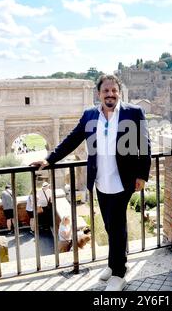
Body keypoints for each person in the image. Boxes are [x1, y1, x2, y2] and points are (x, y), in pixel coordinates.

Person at [31, 74, 151, 291]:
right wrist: (49, 159)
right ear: (99, 94)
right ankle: (114, 263)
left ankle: (119, 273)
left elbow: (145, 144)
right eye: (106, 91)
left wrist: (142, 175)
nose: (110, 94)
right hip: (100, 180)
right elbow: (72, 140)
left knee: (116, 226)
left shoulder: (133, 113)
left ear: (119, 93)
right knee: (109, 224)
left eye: (114, 91)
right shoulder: (89, 115)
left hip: (123, 180)